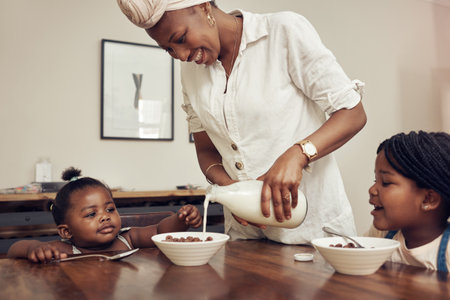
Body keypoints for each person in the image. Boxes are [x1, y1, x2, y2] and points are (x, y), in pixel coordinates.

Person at [117, 0, 367, 244]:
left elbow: (352, 112)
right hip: (245, 235)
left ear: (205, 7)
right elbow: (206, 150)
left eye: (180, 38)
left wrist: (297, 154)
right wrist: (232, 193)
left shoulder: (282, 32)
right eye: (169, 49)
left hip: (312, 230)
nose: (181, 55)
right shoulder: (190, 72)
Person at [7, 167, 202, 263]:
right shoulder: (63, 250)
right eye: (91, 214)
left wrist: (180, 219)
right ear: (66, 231)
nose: (104, 216)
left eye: (109, 209)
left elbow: (161, 231)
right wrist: (34, 247)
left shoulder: (128, 238)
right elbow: (14, 249)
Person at [366, 131, 450, 272]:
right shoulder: (382, 235)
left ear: (428, 199)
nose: (372, 189)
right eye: (376, 180)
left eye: (386, 182)